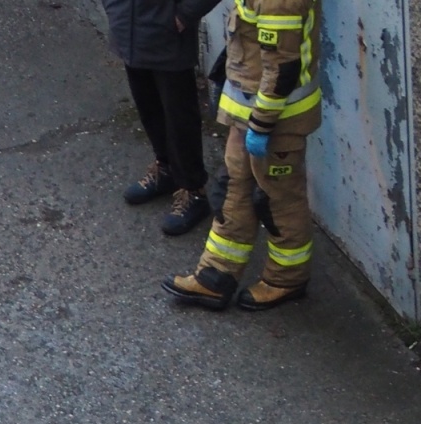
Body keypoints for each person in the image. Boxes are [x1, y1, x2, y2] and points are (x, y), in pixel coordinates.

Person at [163, 0, 321, 310]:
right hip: (250, 117)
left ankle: (287, 279)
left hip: (275, 122)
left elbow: (282, 68)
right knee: (233, 192)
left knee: (279, 201)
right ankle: (215, 276)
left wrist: (261, 125)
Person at [105, 0, 224, 235]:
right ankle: (166, 168)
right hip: (127, 25)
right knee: (148, 106)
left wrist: (184, 15)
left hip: (167, 28)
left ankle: (193, 189)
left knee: (179, 115)